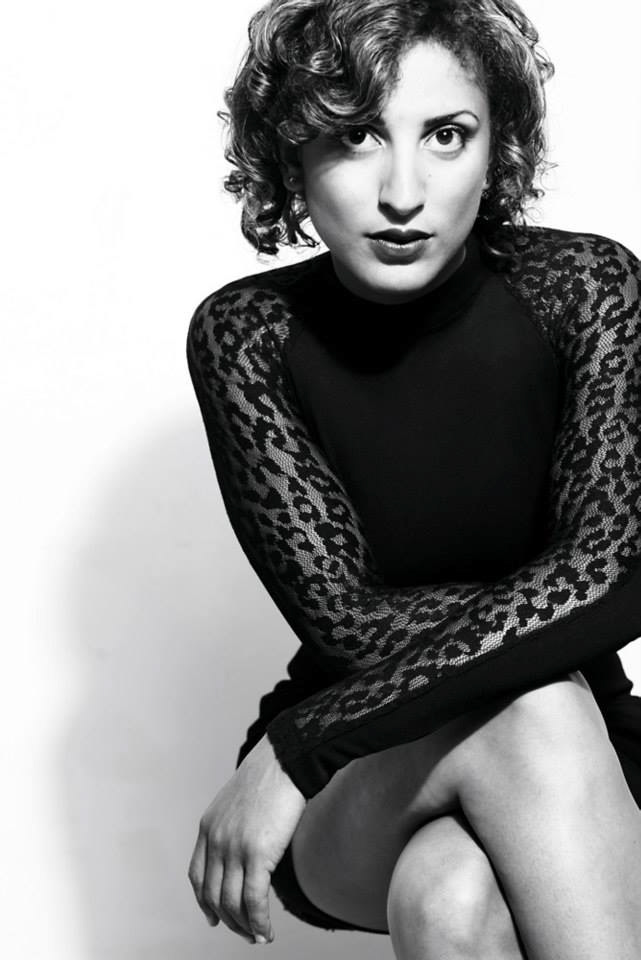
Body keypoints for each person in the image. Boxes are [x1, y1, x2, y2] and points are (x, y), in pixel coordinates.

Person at [186, 0, 641, 957]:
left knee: (449, 895)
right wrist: (556, 615)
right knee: (536, 699)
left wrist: (300, 744)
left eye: (445, 135)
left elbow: (614, 576)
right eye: (354, 137)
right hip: (366, 771)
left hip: (558, 743)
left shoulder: (585, 289)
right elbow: (347, 623)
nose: (403, 191)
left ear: (495, 148)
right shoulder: (248, 333)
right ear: (291, 157)